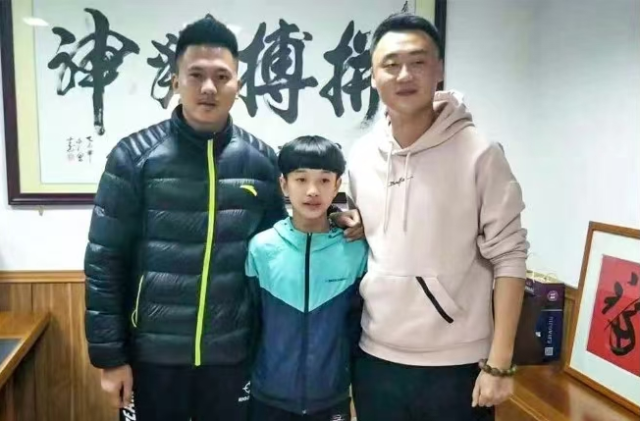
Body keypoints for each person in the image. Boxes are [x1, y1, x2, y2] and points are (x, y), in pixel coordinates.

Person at [84, 16, 288, 421]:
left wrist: (336, 223)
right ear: (175, 81)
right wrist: (111, 358)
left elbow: (278, 254)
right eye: (196, 75)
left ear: (238, 86)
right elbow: (104, 261)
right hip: (152, 358)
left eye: (222, 76)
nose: (209, 87)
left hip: (231, 357)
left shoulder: (261, 162)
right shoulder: (133, 157)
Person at [346, 12, 530, 421]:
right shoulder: (360, 156)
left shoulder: (480, 154)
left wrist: (499, 363)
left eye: (418, 61)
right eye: (391, 64)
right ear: (373, 75)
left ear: (439, 69)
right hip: (375, 356)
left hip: (457, 365)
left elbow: (510, 257)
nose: (404, 75)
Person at [245, 135, 367, 421]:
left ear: (337, 185)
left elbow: (358, 327)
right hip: (268, 395)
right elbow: (250, 322)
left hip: (332, 396)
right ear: (284, 184)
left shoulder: (355, 249)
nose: (312, 191)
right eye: (301, 179)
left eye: (324, 180)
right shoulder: (262, 248)